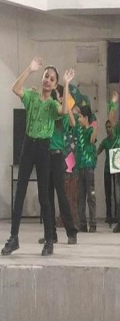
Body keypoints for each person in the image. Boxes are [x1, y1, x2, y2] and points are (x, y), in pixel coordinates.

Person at [2, 59, 72, 256]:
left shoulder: (52, 104)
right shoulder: (32, 96)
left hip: (43, 148)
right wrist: (30, 70)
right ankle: (13, 238)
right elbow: (15, 88)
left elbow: (64, 111)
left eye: (52, 79)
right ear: (42, 78)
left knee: (44, 196)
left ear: (55, 84)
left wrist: (66, 84)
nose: (48, 80)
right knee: (19, 193)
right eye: (46, 76)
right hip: (28, 145)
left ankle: (49, 240)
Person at [38, 84, 77, 245]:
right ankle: (50, 234)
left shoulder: (61, 116)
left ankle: (71, 232)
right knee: (46, 197)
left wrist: (66, 104)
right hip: (44, 156)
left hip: (57, 156)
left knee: (61, 195)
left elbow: (73, 123)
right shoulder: (46, 112)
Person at [74, 105, 98, 233]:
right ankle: (82, 224)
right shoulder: (78, 130)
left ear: (86, 118)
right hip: (79, 168)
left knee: (91, 196)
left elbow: (92, 140)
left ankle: (93, 223)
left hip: (88, 168)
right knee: (80, 197)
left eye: (80, 117)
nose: (78, 119)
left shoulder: (90, 130)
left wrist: (94, 124)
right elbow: (72, 121)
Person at [97, 92, 119, 225]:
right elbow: (97, 152)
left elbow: (111, 118)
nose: (108, 129)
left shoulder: (116, 138)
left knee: (117, 194)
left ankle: (117, 215)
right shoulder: (105, 142)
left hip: (116, 169)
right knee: (108, 193)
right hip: (107, 169)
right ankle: (108, 215)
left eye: (110, 127)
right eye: (107, 128)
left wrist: (113, 104)